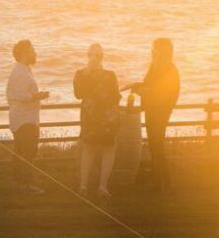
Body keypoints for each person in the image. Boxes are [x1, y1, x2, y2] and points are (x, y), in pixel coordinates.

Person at [130, 38, 180, 190]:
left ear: (162, 52)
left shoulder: (169, 70)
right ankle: (163, 182)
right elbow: (150, 86)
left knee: (157, 145)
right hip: (152, 110)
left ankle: (162, 183)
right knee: (155, 145)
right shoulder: (155, 67)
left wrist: (144, 92)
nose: (152, 53)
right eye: (152, 50)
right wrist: (140, 88)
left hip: (160, 111)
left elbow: (165, 92)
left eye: (155, 50)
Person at [73, 43, 120, 197]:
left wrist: (87, 73)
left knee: (89, 149)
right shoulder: (109, 75)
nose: (96, 58)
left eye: (97, 55)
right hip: (106, 118)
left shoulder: (80, 74)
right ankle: (102, 186)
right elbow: (116, 97)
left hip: (90, 117)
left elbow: (78, 94)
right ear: (101, 57)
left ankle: (83, 186)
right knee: (108, 149)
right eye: (97, 55)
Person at [6, 39, 49, 194]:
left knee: (22, 151)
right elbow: (22, 96)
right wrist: (39, 95)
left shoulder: (24, 70)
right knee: (27, 152)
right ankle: (26, 185)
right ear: (25, 53)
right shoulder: (20, 72)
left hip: (25, 118)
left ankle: (21, 184)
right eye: (32, 50)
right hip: (24, 119)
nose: (35, 53)